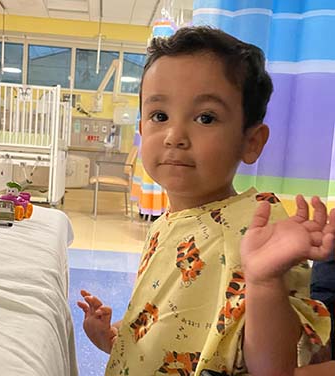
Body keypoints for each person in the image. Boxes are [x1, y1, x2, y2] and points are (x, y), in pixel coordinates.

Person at [77, 26, 335, 375]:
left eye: (206, 118)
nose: (174, 136)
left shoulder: (257, 228)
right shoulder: (165, 223)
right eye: (159, 116)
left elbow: (274, 368)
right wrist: (110, 336)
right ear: (141, 128)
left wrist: (263, 282)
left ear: (252, 142)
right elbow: (163, 327)